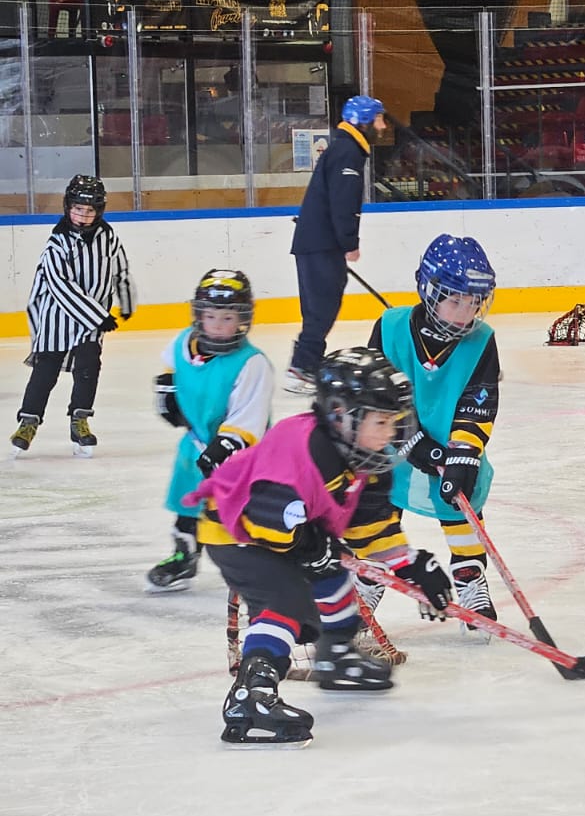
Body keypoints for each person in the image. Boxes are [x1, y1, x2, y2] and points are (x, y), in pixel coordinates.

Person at [185, 347, 453, 745]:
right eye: (380, 421)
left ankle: (336, 657)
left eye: (393, 421)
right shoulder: (301, 447)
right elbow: (267, 517)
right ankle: (251, 696)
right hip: (237, 532)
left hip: (290, 532)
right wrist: (312, 547)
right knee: (286, 604)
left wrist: (413, 566)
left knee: (333, 581)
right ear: (342, 415)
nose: (389, 433)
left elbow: (372, 529)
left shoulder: (364, 457)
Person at [370, 234, 500, 629]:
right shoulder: (390, 328)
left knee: (462, 502)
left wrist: (464, 453)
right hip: (387, 447)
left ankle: (470, 577)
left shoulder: (482, 340)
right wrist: (409, 439)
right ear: (429, 290)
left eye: (474, 302)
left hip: (449, 444)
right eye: (455, 300)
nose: (466, 313)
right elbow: (376, 395)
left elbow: (478, 402)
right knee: (376, 514)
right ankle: (365, 583)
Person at [146, 269, 273, 593]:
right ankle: (184, 557)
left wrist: (224, 448)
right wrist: (167, 388)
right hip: (195, 445)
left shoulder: (252, 363)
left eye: (227, 317)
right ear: (199, 314)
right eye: (211, 315)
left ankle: (266, 561)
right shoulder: (182, 342)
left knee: (243, 511)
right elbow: (172, 365)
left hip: (241, 454)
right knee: (188, 504)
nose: (217, 324)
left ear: (242, 319)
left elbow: (250, 417)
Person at [11, 175, 135, 458]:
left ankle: (80, 419)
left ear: (99, 211)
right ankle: (28, 421)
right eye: (78, 209)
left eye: (90, 210)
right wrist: (97, 316)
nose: (83, 215)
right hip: (57, 317)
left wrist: (126, 300)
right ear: (68, 207)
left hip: (91, 323)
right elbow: (60, 286)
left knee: (89, 367)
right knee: (45, 371)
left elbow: (120, 270)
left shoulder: (108, 238)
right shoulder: (56, 245)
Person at [286, 94, 388, 392]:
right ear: (364, 122)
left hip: (318, 242)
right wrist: (349, 242)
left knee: (321, 307)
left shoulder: (345, 148)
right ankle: (302, 368)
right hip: (321, 243)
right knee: (321, 308)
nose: (383, 126)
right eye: (379, 119)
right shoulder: (347, 152)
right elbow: (343, 202)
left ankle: (305, 363)